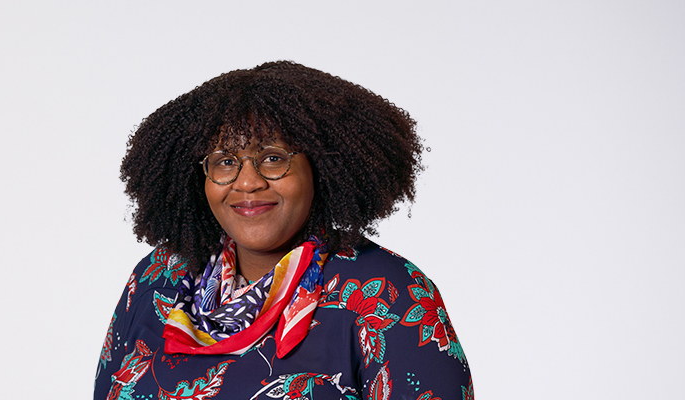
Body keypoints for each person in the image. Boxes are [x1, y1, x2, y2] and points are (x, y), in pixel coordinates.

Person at [95, 61, 471, 400]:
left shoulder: (388, 293)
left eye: (273, 158)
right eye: (225, 161)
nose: (247, 182)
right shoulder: (156, 278)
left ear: (320, 167)